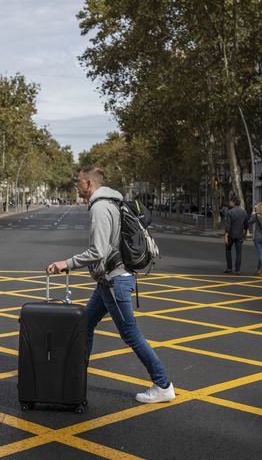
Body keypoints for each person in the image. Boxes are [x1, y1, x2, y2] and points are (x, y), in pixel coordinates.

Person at [46, 167, 175, 404]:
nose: (76, 186)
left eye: (78, 183)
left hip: (115, 281)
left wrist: (67, 263)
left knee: (131, 334)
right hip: (108, 281)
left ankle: (163, 384)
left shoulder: (100, 207)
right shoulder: (112, 202)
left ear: (88, 184)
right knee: (86, 324)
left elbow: (99, 250)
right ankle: (75, 377)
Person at [224, 195, 249, 274]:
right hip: (240, 235)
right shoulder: (244, 212)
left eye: (230, 201)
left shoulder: (230, 212)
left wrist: (225, 236)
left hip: (231, 235)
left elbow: (228, 225)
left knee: (228, 250)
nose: (229, 203)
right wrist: (245, 233)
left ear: (233, 202)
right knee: (239, 253)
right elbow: (246, 224)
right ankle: (237, 269)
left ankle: (229, 268)